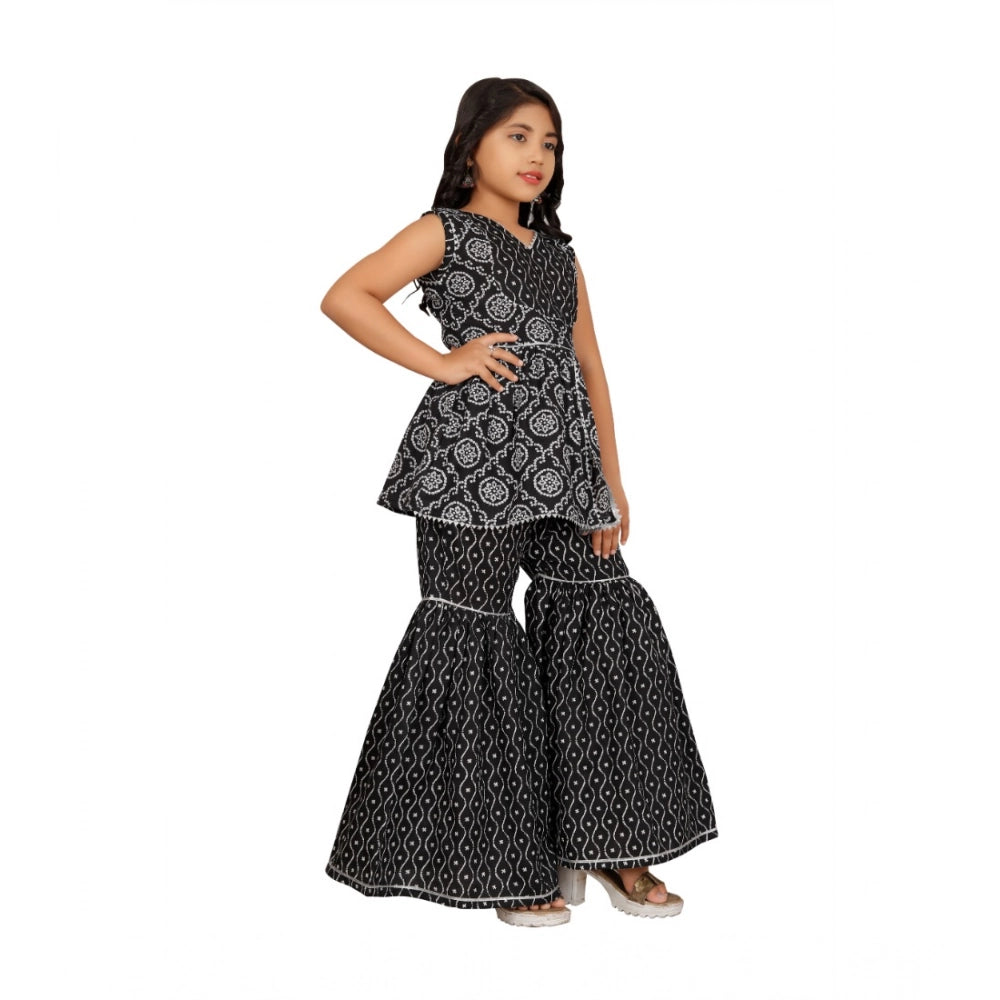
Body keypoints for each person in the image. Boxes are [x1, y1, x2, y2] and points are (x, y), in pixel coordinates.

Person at [319, 77, 718, 928]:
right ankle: (504, 861)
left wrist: (610, 479)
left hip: (566, 473)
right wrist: (443, 363)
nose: (538, 155)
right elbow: (345, 296)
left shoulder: (562, 256)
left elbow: (590, 369)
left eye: (551, 143)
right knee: (476, 642)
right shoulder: (441, 232)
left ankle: (609, 840)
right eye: (519, 136)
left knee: (604, 626)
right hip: (467, 473)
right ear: (472, 147)